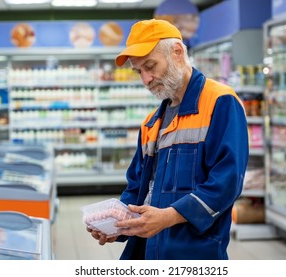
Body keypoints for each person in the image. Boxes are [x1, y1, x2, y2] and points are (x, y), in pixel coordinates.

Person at [87, 19, 249, 260]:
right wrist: (116, 225)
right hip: (146, 251)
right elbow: (137, 188)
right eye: (139, 71)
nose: (146, 79)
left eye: (150, 66)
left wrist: (170, 216)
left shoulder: (220, 101)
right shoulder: (151, 123)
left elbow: (227, 181)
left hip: (194, 252)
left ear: (177, 52)